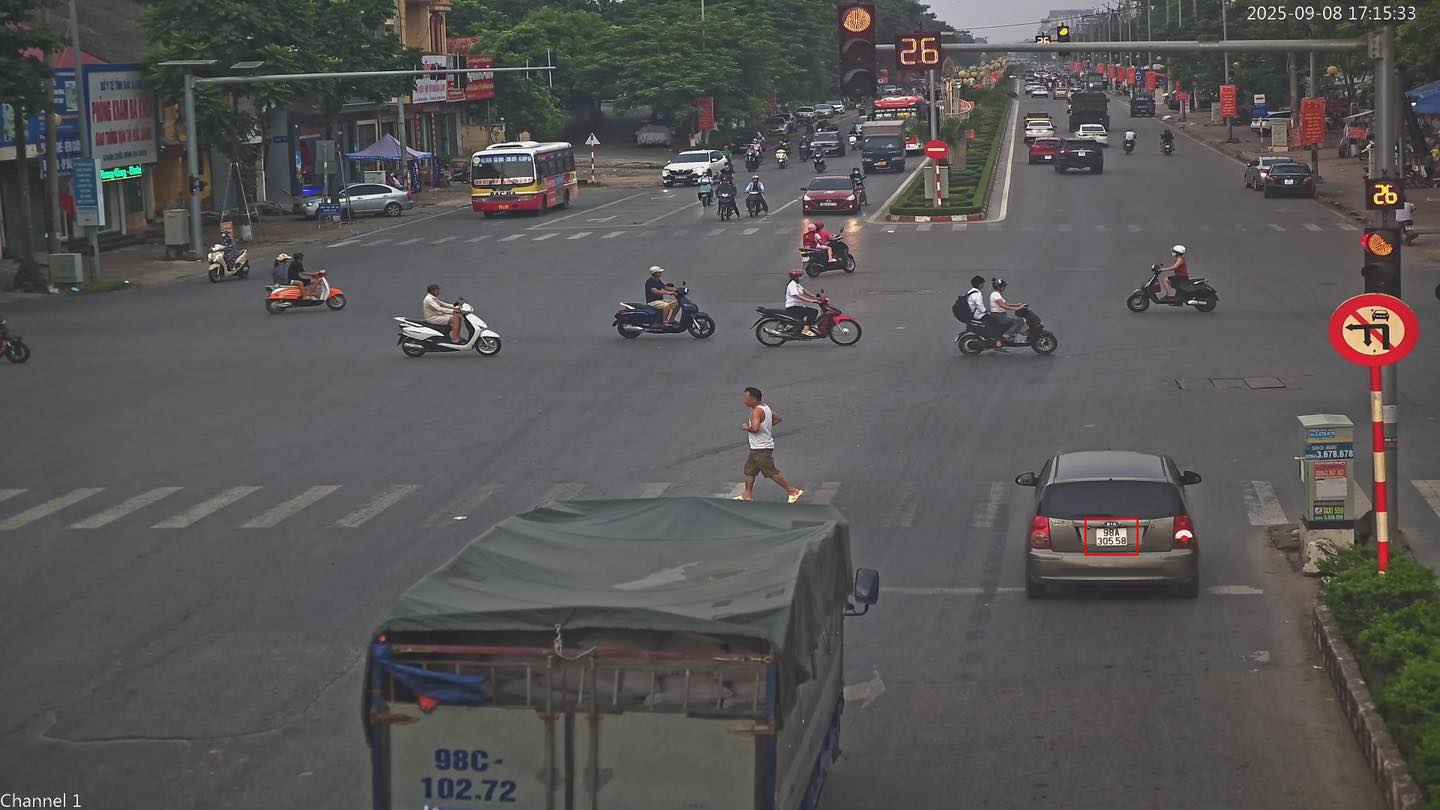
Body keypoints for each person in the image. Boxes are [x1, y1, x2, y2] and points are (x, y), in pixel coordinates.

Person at [736, 387, 804, 503]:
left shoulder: (756, 411)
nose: (744, 400)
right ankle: (746, 495)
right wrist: (766, 427)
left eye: (746, 398)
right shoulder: (765, 407)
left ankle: (793, 491)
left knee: (771, 472)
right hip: (757, 448)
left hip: (761, 449)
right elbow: (777, 419)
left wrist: (746, 427)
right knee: (749, 471)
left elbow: (755, 428)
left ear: (753, 399)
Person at [988, 277, 1025, 345]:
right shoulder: (995, 294)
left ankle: (1010, 335)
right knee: (1020, 320)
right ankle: (1007, 336)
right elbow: (1003, 306)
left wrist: (1016, 305)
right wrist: (1016, 309)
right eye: (1003, 286)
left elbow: (1005, 304)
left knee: (1017, 320)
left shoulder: (997, 294)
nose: (1005, 287)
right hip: (999, 316)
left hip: (1001, 315)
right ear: (999, 287)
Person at [785, 269, 821, 337]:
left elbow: (805, 291)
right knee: (813, 312)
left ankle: (801, 328)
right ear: (796, 277)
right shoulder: (792, 285)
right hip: (793, 307)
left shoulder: (797, 284)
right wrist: (811, 301)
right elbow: (798, 296)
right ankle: (806, 330)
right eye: (800, 276)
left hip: (798, 306)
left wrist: (816, 297)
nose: (802, 278)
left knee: (803, 319)